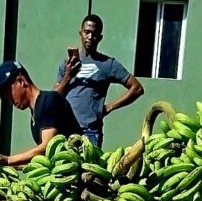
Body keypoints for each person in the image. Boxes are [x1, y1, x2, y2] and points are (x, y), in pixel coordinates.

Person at [55, 13, 144, 147]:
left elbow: (137, 88)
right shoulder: (67, 64)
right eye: (87, 32)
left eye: (94, 33)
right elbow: (55, 97)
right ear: (80, 33)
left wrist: (110, 107)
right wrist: (68, 75)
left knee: (89, 168)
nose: (90, 37)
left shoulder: (108, 64)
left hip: (90, 132)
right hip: (64, 131)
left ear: (100, 38)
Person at [0, 60, 81, 167]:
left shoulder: (48, 100)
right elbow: (42, 158)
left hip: (79, 172)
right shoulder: (35, 115)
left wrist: (8, 160)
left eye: (8, 93)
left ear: (21, 81)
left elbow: (47, 146)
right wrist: (5, 166)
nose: (9, 100)